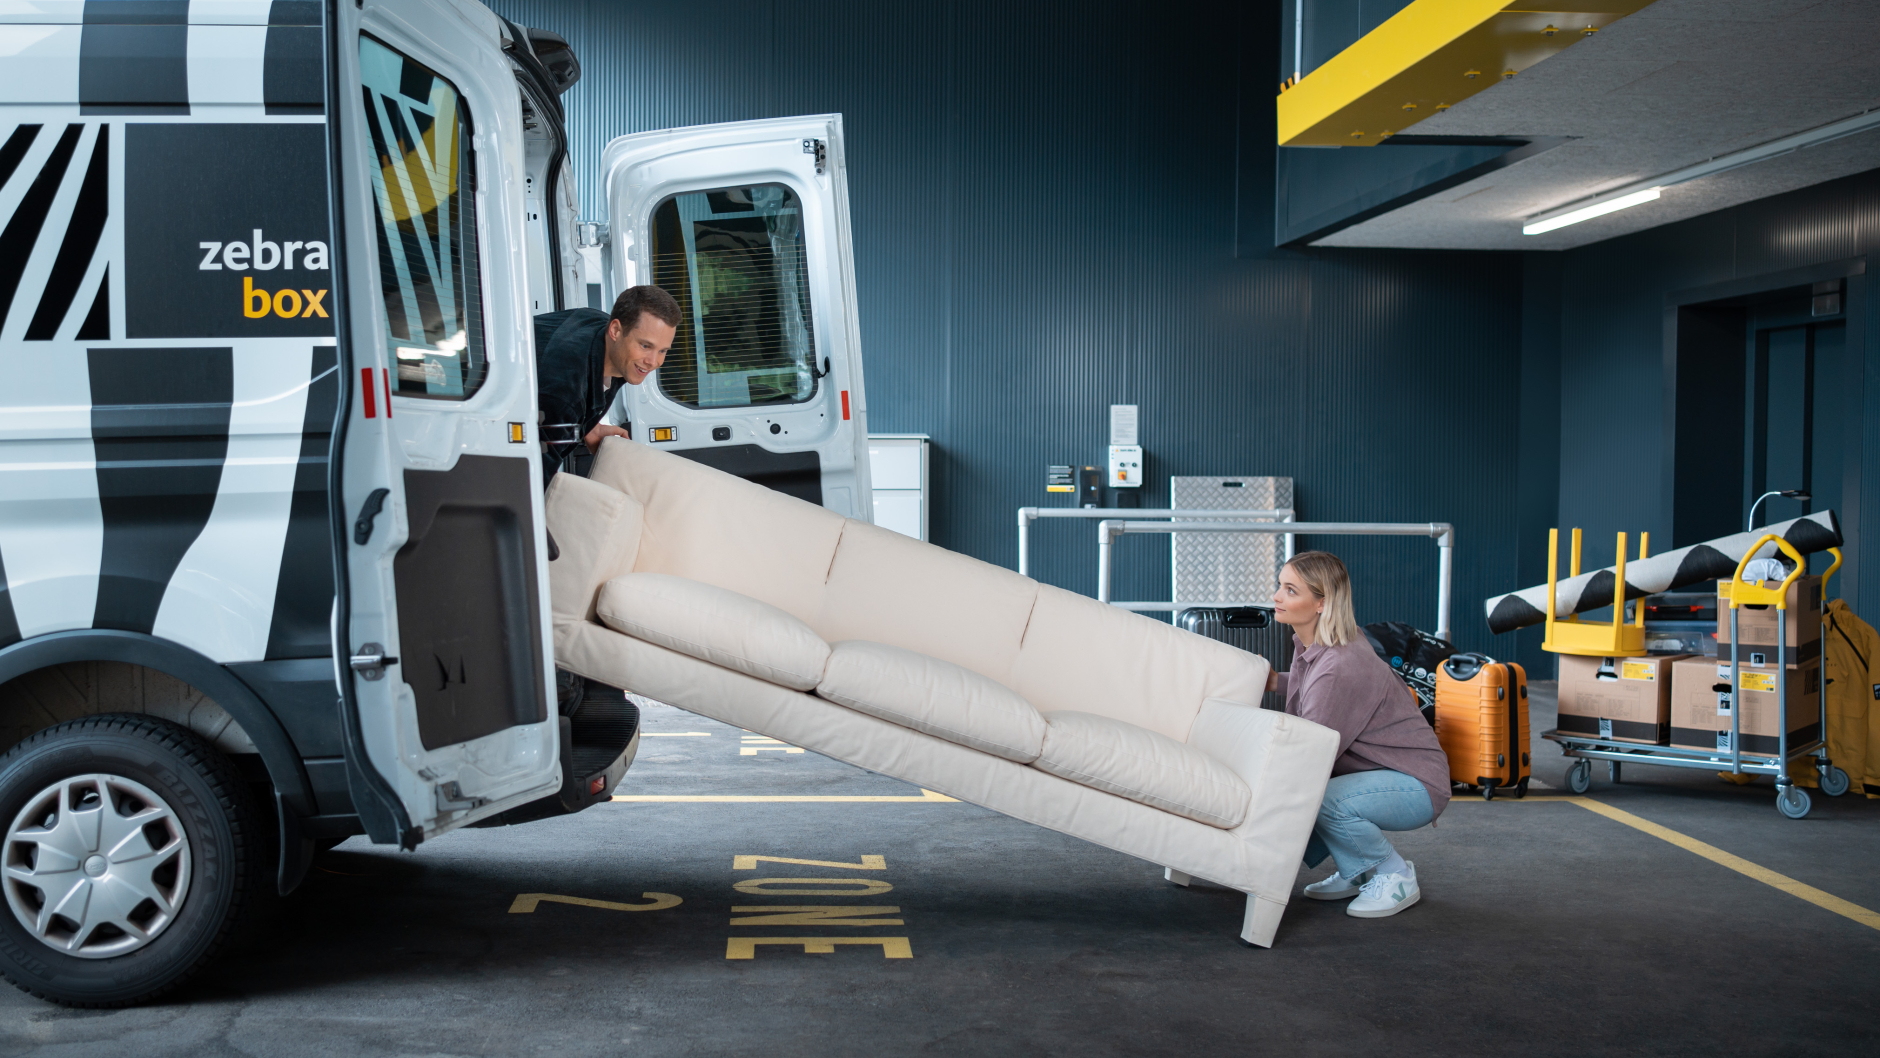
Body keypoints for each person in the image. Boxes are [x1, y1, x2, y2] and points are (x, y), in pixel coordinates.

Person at [1266, 551, 1450, 919]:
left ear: (1321, 603)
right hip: (1392, 772)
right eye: (1279, 586)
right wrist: (1273, 682)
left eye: (1290, 590)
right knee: (1316, 790)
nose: (1276, 596)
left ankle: (1394, 874)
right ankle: (1359, 870)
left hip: (1416, 784)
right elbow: (1311, 685)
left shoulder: (1338, 664)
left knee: (1321, 796)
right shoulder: (1320, 644)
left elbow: (1311, 750)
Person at [533, 285, 681, 481]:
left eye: (663, 350)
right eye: (645, 346)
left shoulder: (598, 326)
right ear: (615, 330)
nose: (653, 362)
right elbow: (529, 481)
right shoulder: (565, 394)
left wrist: (588, 426)